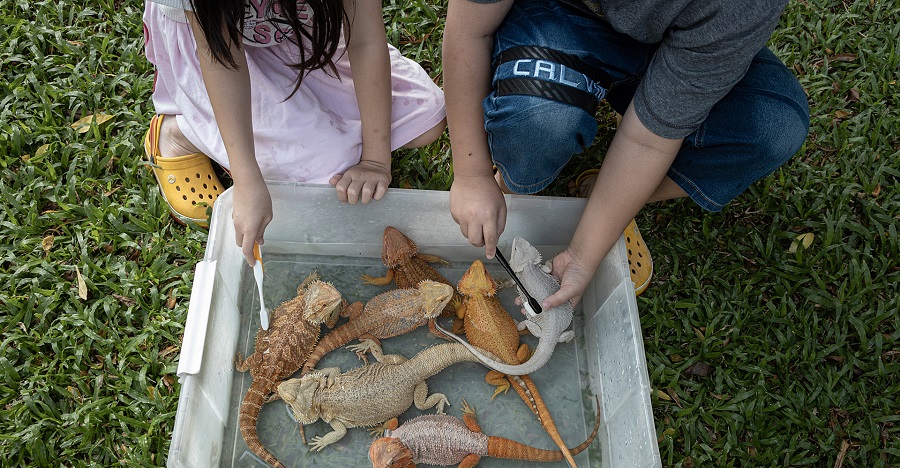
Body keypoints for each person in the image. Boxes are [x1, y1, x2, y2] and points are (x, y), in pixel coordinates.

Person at [442, 0, 809, 308]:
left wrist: (582, 258)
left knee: (774, 128)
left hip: (680, 46)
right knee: (538, 125)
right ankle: (511, 179)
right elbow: (469, 32)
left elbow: (647, 140)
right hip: (560, 13)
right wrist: (472, 176)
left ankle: (607, 196)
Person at [143, 0, 446, 264]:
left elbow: (365, 39)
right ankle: (179, 132)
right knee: (325, 166)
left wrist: (376, 160)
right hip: (215, 49)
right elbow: (221, 59)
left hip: (294, 32)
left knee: (426, 117)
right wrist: (248, 180)